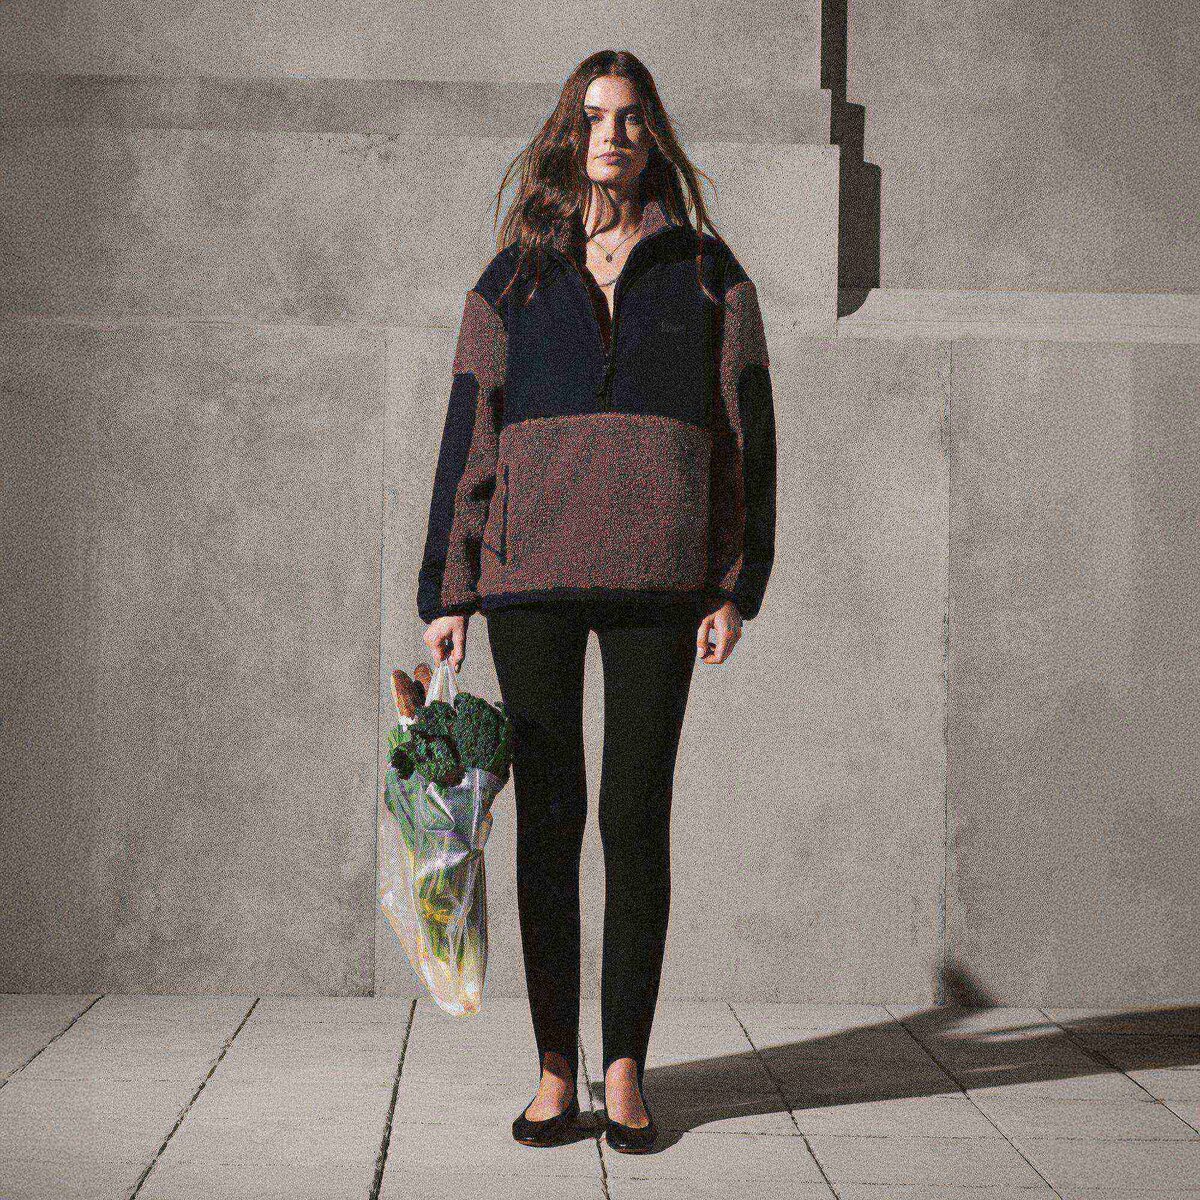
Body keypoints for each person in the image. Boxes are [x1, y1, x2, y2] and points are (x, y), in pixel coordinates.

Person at [416, 50, 777, 1154]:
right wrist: (448, 588)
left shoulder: (711, 274)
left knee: (634, 822)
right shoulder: (513, 280)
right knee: (551, 823)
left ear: (651, 133)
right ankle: (553, 1067)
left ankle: (624, 1070)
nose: (609, 135)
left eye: (627, 117)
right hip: (529, 578)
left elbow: (748, 437)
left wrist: (736, 583)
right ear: (568, 135)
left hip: (660, 583)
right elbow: (468, 434)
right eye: (592, 117)